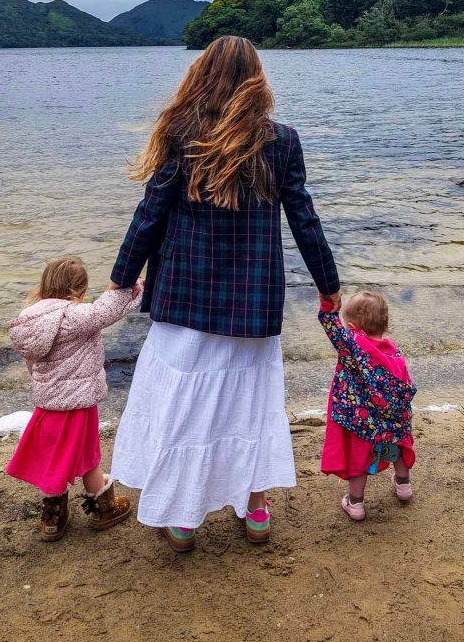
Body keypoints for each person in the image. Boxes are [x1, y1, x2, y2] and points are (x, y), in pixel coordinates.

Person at [107, 35, 341, 552]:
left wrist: (121, 278)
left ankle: (184, 517)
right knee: (251, 404)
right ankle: (254, 507)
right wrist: (329, 286)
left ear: (202, 75)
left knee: (184, 405)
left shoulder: (180, 133)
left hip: (185, 297)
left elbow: (151, 214)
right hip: (252, 300)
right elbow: (304, 219)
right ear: (257, 80)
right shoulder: (281, 140)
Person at [6, 255, 140, 541]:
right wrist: (136, 286)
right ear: (78, 291)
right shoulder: (72, 316)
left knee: (55, 459)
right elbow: (108, 308)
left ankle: (53, 519)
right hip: (79, 403)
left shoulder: (29, 320)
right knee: (89, 458)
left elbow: (32, 364)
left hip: (47, 404)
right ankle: (104, 509)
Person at [318, 288, 416, 522]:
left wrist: (327, 307)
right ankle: (403, 487)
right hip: (394, 420)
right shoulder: (394, 351)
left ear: (352, 327)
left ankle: (356, 503)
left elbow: (332, 328)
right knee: (399, 449)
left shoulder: (353, 347)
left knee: (359, 459)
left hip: (363, 422)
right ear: (385, 322)